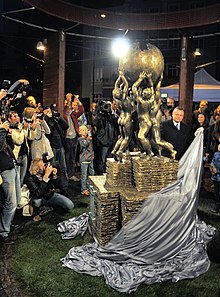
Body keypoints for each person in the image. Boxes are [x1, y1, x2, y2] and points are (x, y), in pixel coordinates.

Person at [0, 121, 21, 244]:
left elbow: (10, 147)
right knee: (11, 202)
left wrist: (7, 134)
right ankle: (3, 232)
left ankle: (7, 224)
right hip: (5, 170)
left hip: (12, 166)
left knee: (17, 199)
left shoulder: (1, 134)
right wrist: (2, 130)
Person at [43, 105, 69, 196]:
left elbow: (66, 126)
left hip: (60, 146)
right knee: (52, 168)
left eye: (49, 110)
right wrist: (46, 117)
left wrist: (58, 117)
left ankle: (65, 187)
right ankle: (52, 188)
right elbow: (48, 129)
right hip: (51, 147)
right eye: (47, 111)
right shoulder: (44, 120)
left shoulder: (55, 119)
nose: (49, 112)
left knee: (63, 168)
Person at [63, 95, 84, 181]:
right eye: (68, 106)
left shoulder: (73, 114)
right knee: (66, 158)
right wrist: (68, 101)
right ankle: (66, 175)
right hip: (67, 138)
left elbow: (81, 110)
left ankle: (71, 175)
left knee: (72, 158)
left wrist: (78, 101)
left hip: (74, 137)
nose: (69, 108)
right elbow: (65, 108)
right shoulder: (63, 115)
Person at [78, 125, 94, 196]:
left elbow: (91, 147)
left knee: (91, 173)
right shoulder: (80, 140)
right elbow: (84, 145)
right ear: (80, 132)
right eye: (83, 130)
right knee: (84, 175)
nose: (85, 131)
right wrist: (88, 140)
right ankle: (83, 189)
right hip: (84, 159)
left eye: (86, 130)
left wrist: (93, 154)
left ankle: (90, 186)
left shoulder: (88, 139)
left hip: (90, 159)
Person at [209, 143, 220, 213]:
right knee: (216, 191)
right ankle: (217, 206)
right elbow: (212, 162)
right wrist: (211, 167)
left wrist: (217, 170)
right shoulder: (216, 154)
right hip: (215, 177)